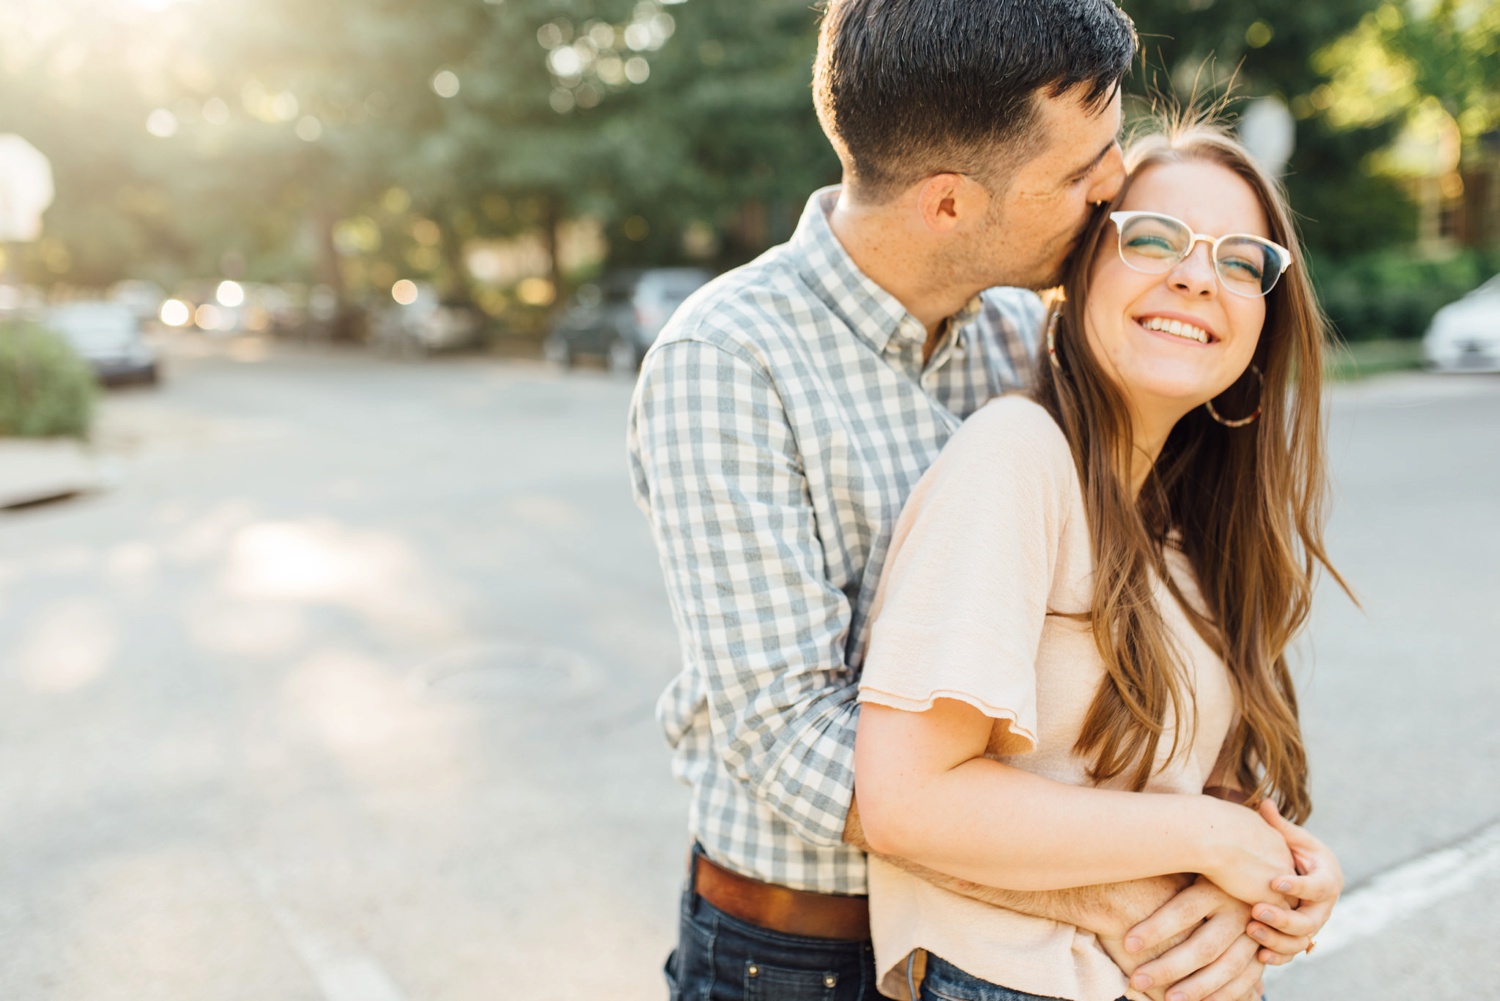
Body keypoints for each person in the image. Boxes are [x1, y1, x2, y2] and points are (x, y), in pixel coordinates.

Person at [627, 2, 1336, 998]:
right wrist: (1136, 883)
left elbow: (1118, 648)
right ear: (951, 203)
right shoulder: (729, 362)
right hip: (798, 949)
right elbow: (785, 733)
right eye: (1082, 169)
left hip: (999, 945)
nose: (1113, 187)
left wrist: (1253, 863)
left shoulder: (1022, 332)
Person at [852, 120, 1348, 1001]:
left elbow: (1196, 793)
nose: (1198, 274)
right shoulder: (1017, 455)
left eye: (1242, 260)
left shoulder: (1188, 523)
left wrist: (1285, 880)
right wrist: (1207, 839)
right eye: (1154, 239)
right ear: (1080, 271)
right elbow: (906, 801)